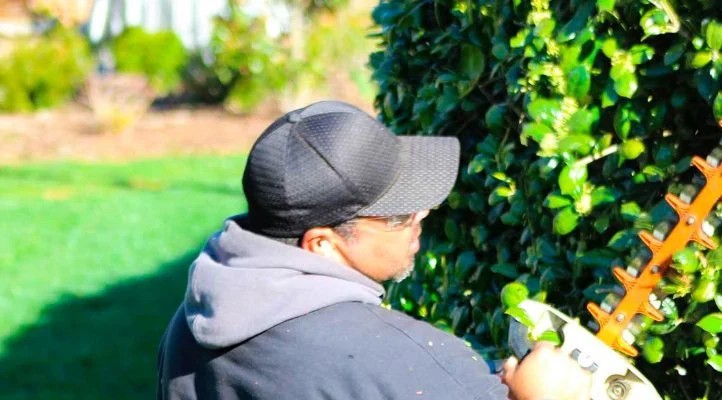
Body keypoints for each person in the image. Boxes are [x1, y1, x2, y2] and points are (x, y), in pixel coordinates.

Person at [157, 100, 592, 399]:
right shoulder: (409, 366)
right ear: (322, 243)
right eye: (397, 215)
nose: (421, 213)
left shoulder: (190, 329)